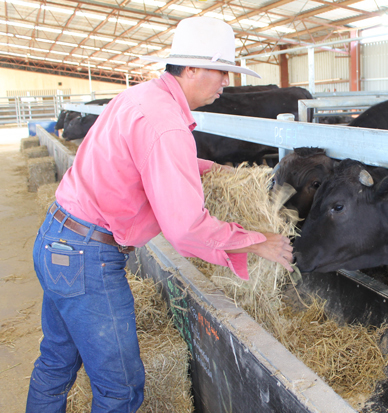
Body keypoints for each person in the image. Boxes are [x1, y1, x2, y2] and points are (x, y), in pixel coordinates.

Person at [26, 16, 294, 412]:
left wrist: (211, 169)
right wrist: (257, 241)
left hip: (57, 241)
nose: (225, 83)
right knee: (120, 390)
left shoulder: (142, 97)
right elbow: (185, 228)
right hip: (87, 258)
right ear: (191, 68)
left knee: (55, 364)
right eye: (222, 72)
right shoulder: (167, 122)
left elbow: (152, 158)